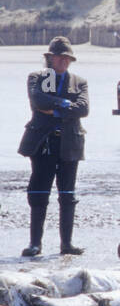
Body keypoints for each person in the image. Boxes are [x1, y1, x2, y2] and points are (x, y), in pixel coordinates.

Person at [19, 36, 89, 257]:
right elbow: (39, 100)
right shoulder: (39, 77)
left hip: (70, 144)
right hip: (44, 143)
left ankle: (66, 245)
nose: (63, 62)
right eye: (59, 58)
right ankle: (35, 244)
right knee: (39, 192)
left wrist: (54, 109)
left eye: (66, 58)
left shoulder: (79, 81)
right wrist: (64, 104)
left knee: (67, 194)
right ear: (50, 58)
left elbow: (84, 108)